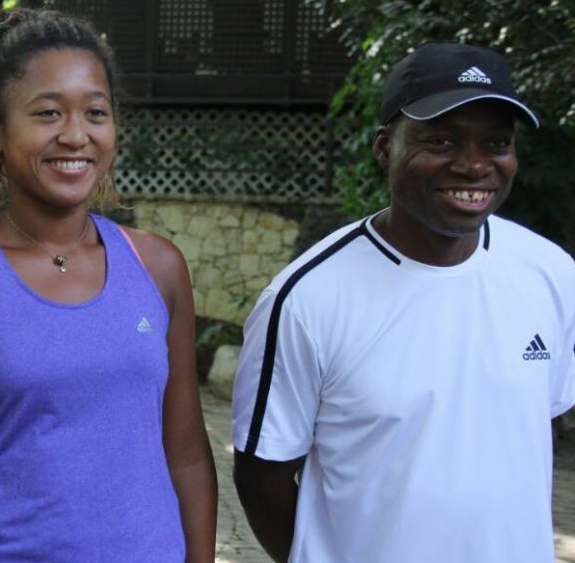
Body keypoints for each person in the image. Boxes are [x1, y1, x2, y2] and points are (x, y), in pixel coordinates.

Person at [0, 7, 217, 562]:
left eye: (96, 112)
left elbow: (187, 458)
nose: (76, 135)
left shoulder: (157, 267)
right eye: (47, 113)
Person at [231, 41, 575, 562]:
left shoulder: (550, 272)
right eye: (442, 140)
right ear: (384, 146)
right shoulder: (305, 299)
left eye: (496, 143)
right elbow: (262, 477)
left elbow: (531, 424)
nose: (475, 166)